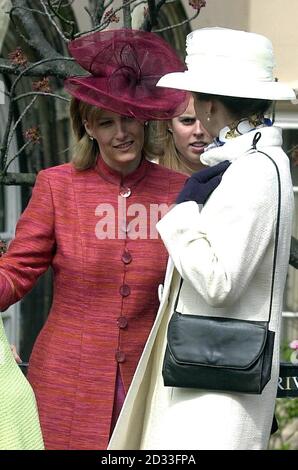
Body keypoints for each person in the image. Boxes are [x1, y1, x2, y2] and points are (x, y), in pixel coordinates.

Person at [0, 28, 193, 450]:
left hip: (153, 382)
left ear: (143, 120)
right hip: (67, 380)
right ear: (88, 126)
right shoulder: (57, 187)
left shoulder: (179, 191)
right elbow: (15, 272)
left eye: (128, 119)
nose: (121, 132)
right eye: (107, 122)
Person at [108, 27, 295, 450]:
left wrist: (182, 214)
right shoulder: (247, 163)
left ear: (210, 105)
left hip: (217, 400)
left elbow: (218, 283)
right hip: (207, 384)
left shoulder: (255, 169)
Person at [150, 94, 212, 174]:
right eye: (187, 120)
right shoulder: (152, 175)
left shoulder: (232, 171)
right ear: (169, 124)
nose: (198, 131)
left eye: (207, 120)